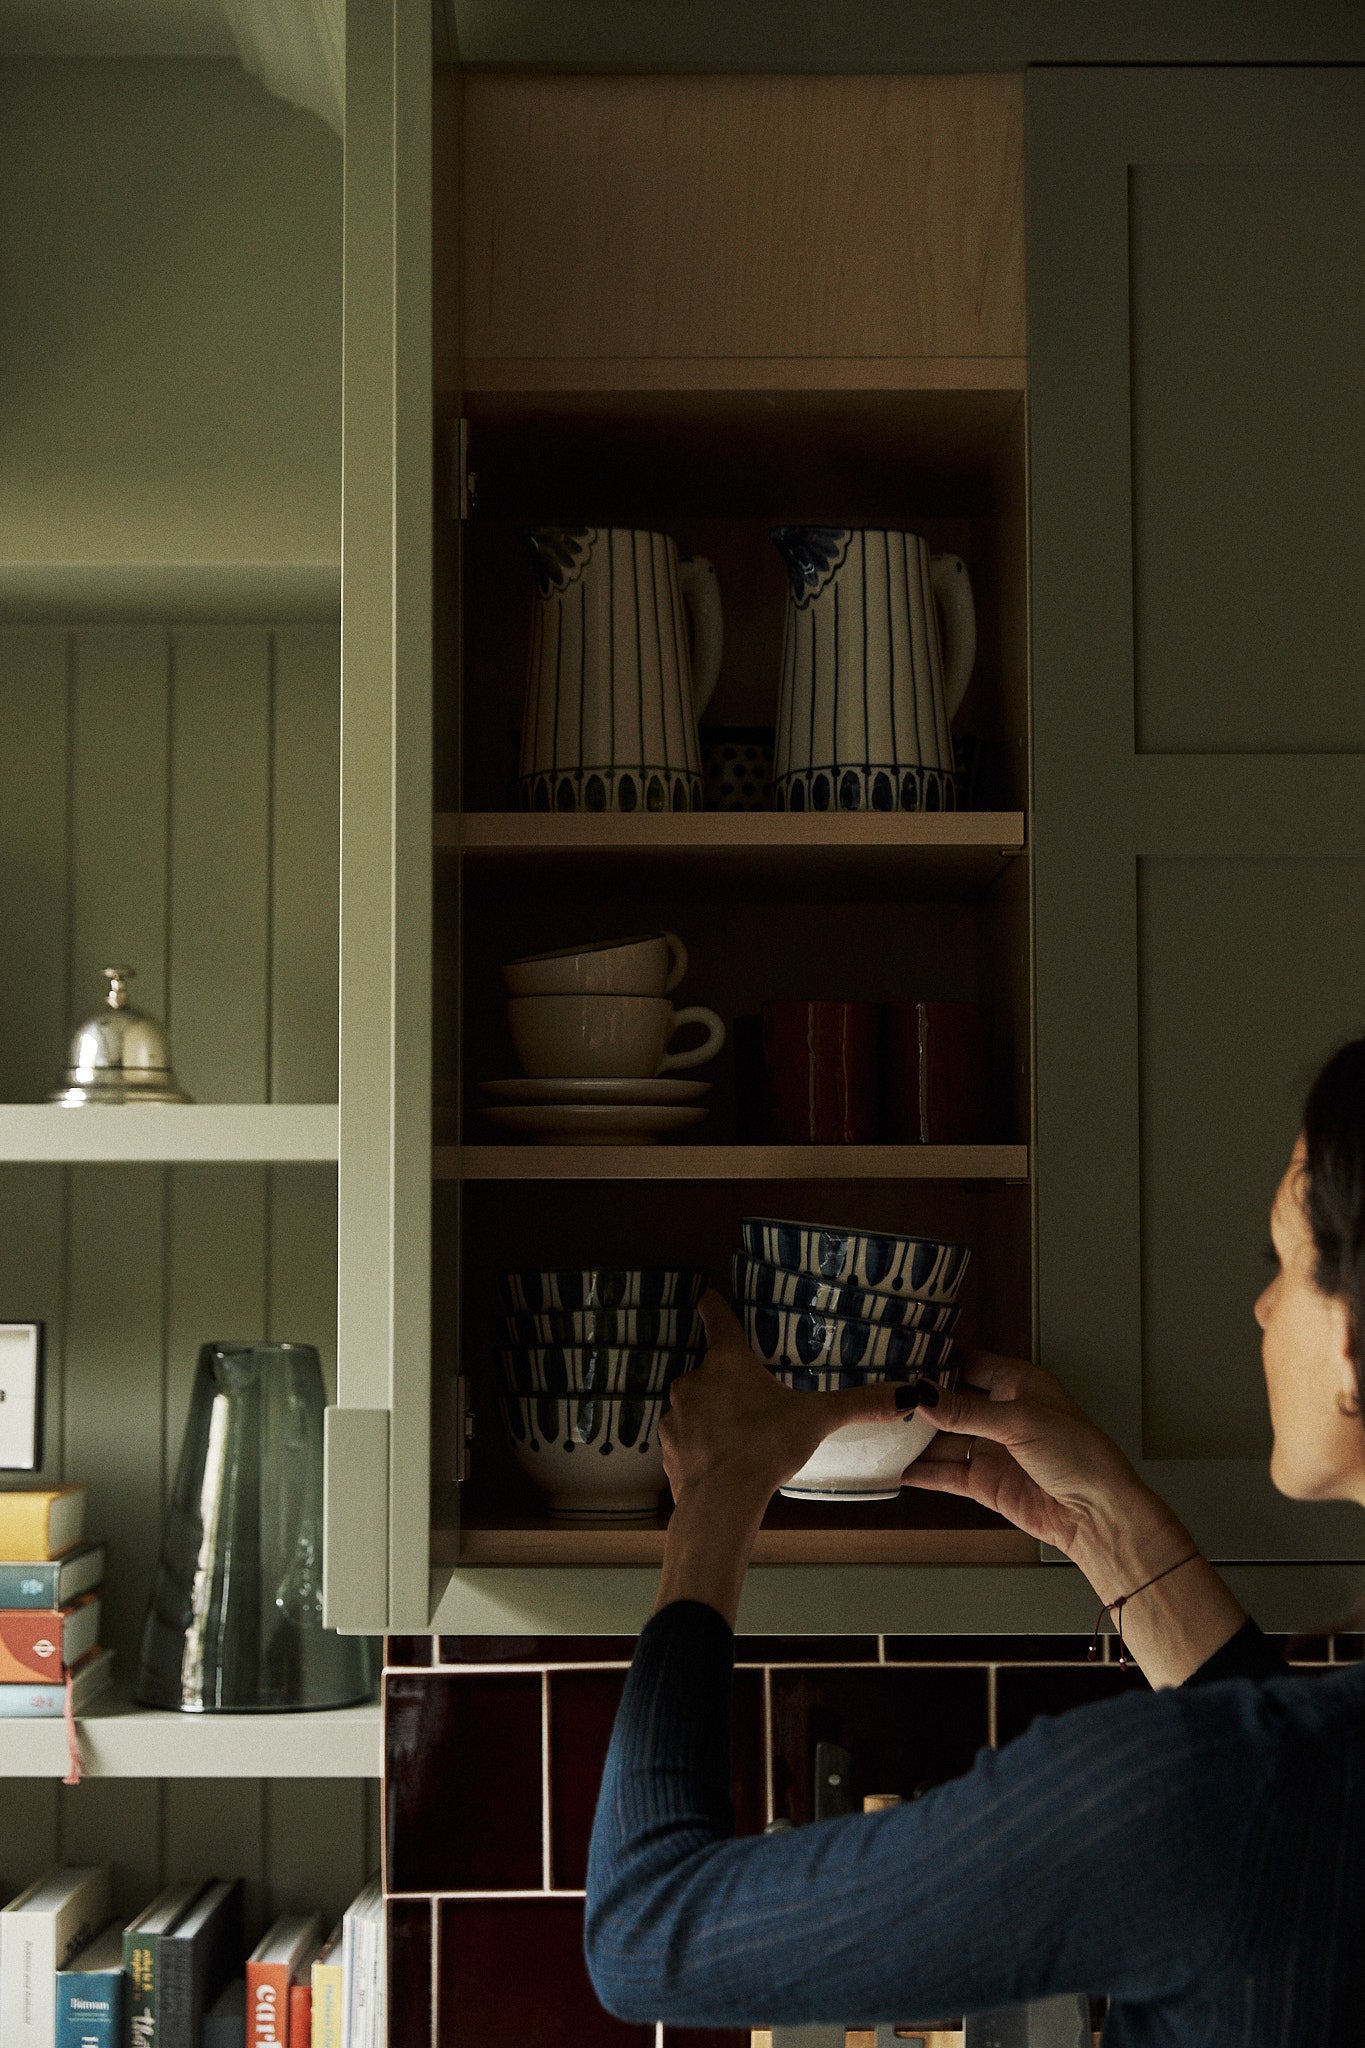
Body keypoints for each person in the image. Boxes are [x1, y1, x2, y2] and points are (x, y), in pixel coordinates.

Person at [584, 1038, 1365, 2046]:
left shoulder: (1200, 1798)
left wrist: (715, 1499)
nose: (1262, 1306)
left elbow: (644, 1928)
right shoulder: (1277, 1793)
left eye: (1286, 1262)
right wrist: (1100, 1523)